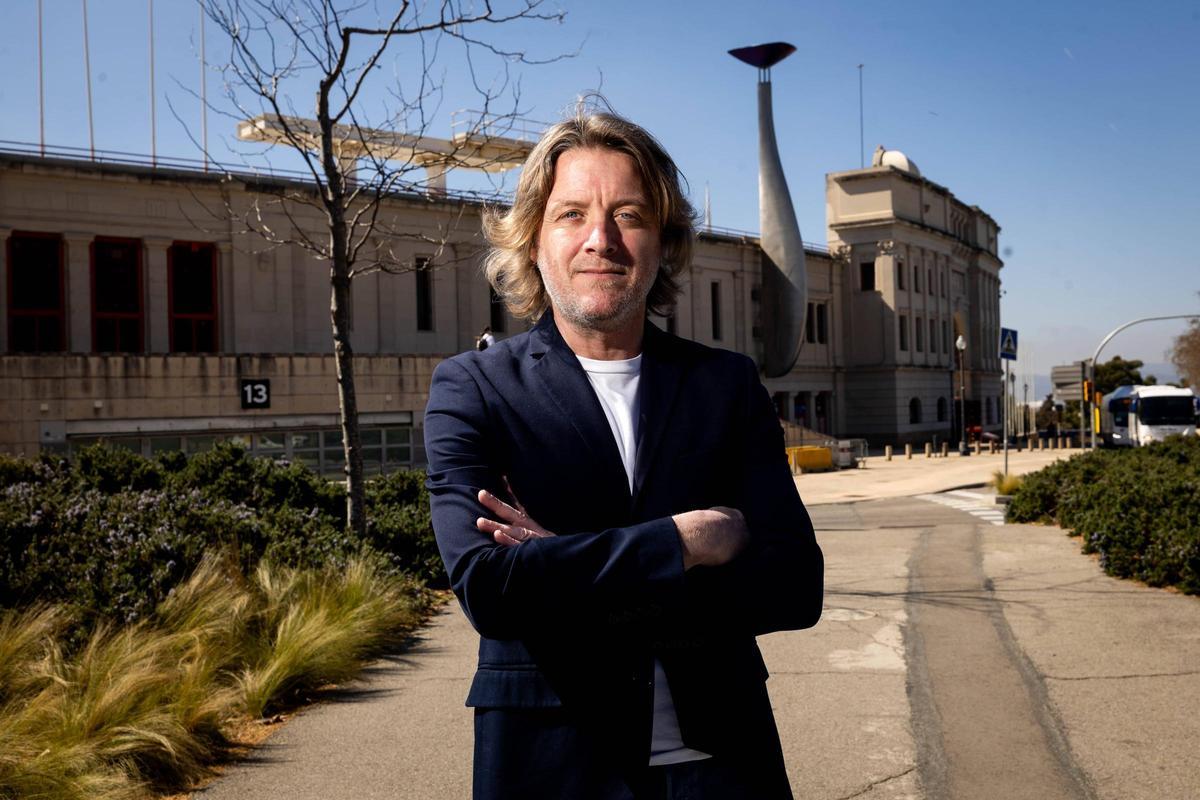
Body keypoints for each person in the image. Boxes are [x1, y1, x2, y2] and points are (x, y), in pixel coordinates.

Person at [424, 108, 823, 800]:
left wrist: (565, 564)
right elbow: (493, 591)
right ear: (534, 241)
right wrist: (684, 542)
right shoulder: (474, 389)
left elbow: (794, 584)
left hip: (723, 764)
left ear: (663, 243)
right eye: (572, 215)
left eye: (629, 216)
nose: (600, 240)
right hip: (553, 764)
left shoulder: (725, 386)